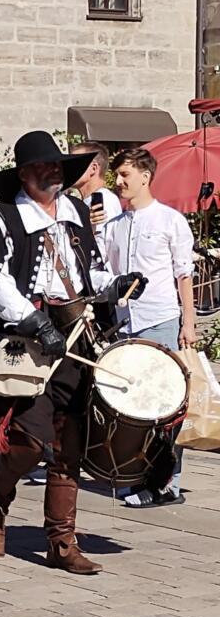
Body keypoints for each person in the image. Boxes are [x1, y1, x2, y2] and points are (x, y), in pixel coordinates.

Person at [0, 130, 144, 575]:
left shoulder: (73, 209)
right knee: (32, 441)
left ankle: (61, 542)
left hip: (77, 334)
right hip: (28, 340)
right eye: (42, 167)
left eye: (56, 166)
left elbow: (90, 264)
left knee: (68, 441)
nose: (52, 173)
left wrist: (114, 286)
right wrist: (36, 323)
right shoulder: (1, 218)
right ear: (23, 174)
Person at [101, 148, 195, 507]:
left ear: (145, 175)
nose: (120, 182)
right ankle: (134, 474)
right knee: (131, 406)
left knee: (166, 402)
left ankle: (167, 481)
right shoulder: (114, 227)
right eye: (117, 176)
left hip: (160, 319)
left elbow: (183, 274)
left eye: (125, 175)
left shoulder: (170, 221)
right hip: (125, 326)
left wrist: (188, 322)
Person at [71, 141, 123, 232]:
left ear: (93, 168)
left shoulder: (105, 201)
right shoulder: (87, 202)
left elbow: (102, 243)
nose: (68, 169)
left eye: (74, 163)